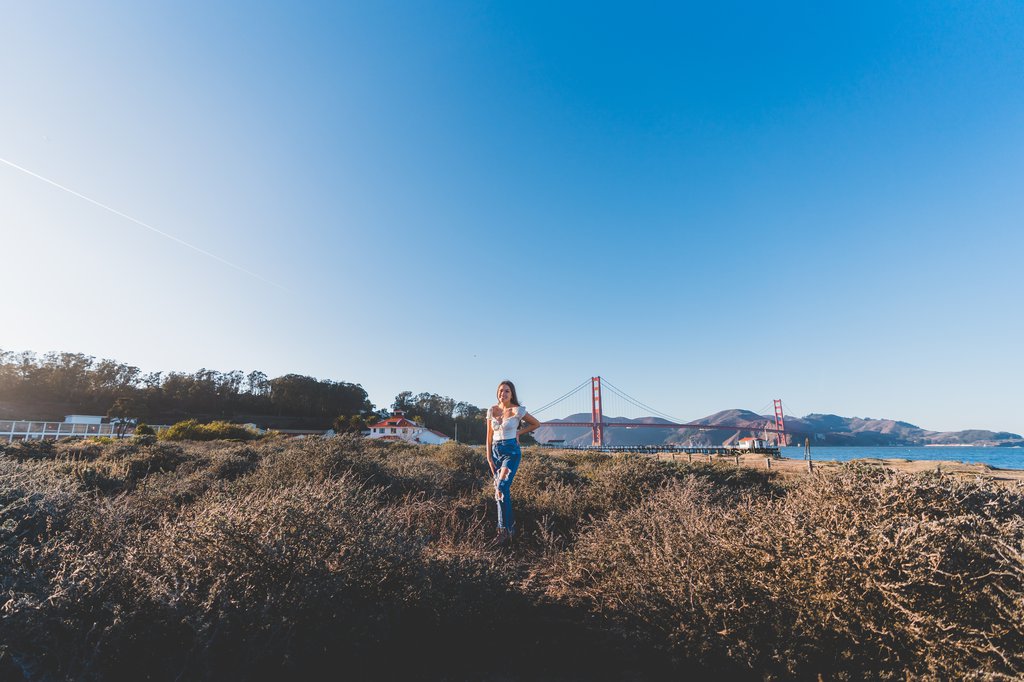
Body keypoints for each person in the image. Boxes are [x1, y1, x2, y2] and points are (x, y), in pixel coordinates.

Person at [485, 380, 540, 544]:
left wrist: (519, 433)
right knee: (499, 491)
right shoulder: (492, 410)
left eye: (507, 391)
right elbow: (488, 436)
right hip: (495, 452)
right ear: (497, 393)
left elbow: (536, 424)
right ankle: (510, 530)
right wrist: (488, 457)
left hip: (511, 452)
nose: (503, 394)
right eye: (501, 391)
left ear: (512, 394)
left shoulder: (517, 410)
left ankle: (503, 532)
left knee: (502, 487)